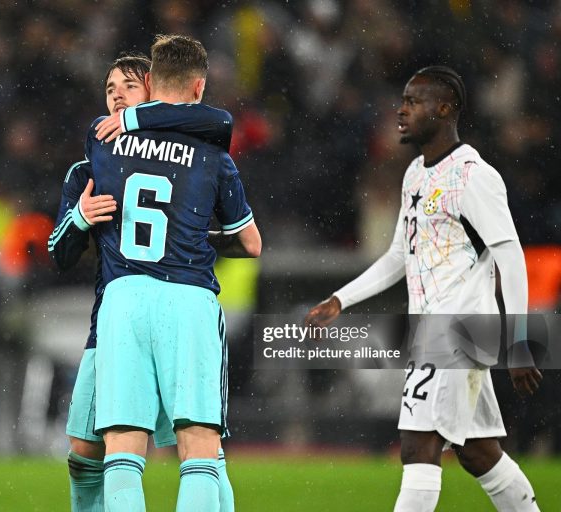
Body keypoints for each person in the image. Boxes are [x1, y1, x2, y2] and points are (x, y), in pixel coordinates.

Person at [304, 66, 542, 511]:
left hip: (457, 328)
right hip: (438, 329)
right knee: (477, 452)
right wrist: (342, 298)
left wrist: (521, 341)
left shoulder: (473, 175)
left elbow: (510, 257)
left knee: (417, 447)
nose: (402, 109)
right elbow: (399, 255)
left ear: (446, 109)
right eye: (404, 100)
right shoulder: (415, 172)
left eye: (415, 101)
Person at [49, 52, 246, 512]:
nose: (116, 94)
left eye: (129, 86)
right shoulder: (91, 170)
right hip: (116, 325)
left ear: (154, 92)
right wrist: (78, 217)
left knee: (189, 450)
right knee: (85, 454)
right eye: (109, 87)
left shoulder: (150, 154)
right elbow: (59, 252)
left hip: (135, 306)